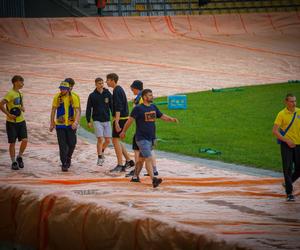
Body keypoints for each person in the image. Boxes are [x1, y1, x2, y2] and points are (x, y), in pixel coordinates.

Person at [120, 89, 179, 188]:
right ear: (144, 97)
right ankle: (154, 179)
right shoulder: (138, 109)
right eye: (149, 95)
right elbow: (130, 121)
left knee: (141, 159)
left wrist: (171, 119)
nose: (152, 97)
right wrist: (123, 131)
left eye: (152, 95)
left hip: (151, 138)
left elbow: (162, 116)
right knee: (149, 158)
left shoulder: (153, 107)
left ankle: (135, 177)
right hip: (141, 138)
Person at [126, 80, 159, 177]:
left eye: (132, 88)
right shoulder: (139, 98)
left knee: (140, 152)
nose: (132, 90)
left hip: (142, 133)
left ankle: (152, 175)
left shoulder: (140, 99)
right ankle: (141, 174)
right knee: (143, 155)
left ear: (135, 88)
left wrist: (124, 130)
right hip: (147, 133)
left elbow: (136, 115)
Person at [273, 93, 300, 202]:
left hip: (298, 145)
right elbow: (274, 131)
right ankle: (289, 193)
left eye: (295, 101)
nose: (294, 103)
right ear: (286, 102)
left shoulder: (299, 112)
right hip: (286, 145)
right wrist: (287, 141)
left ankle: (287, 183)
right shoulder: (281, 114)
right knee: (288, 168)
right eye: (291, 101)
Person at [106, 73, 134, 172]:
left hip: (121, 118)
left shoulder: (117, 90)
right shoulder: (119, 89)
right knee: (117, 140)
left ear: (113, 80)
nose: (106, 82)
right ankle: (129, 161)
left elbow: (118, 107)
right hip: (123, 117)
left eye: (108, 80)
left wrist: (116, 122)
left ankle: (120, 164)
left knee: (115, 140)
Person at [49, 81, 80, 172]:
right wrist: (52, 123)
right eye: (61, 88)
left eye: (64, 89)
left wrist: (76, 122)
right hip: (60, 125)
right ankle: (64, 163)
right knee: (62, 145)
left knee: (72, 143)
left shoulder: (73, 97)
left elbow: (77, 111)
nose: (62, 90)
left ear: (68, 89)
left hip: (71, 125)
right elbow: (53, 110)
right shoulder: (57, 97)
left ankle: (68, 157)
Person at [0, 75, 27, 170]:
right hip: (11, 123)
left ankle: (19, 156)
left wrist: (22, 108)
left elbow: (20, 104)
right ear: (15, 82)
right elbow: (1, 104)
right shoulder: (10, 94)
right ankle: (13, 162)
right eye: (21, 82)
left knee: (25, 140)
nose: (23, 84)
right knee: (12, 143)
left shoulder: (20, 93)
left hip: (21, 121)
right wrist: (8, 114)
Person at [86, 77, 112, 166]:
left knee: (108, 140)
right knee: (100, 139)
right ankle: (100, 157)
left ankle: (102, 151)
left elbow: (112, 105)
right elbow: (89, 108)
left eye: (102, 83)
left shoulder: (107, 93)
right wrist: (88, 120)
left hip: (107, 120)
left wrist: (115, 117)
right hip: (97, 120)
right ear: (96, 84)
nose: (101, 85)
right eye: (99, 83)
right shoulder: (92, 95)